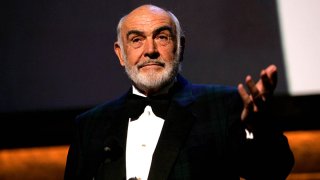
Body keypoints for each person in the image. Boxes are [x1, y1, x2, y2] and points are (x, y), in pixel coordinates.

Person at [64, 4, 294, 180]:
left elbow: (273, 171)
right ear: (120, 54)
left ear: (180, 47)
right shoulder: (90, 126)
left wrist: (258, 127)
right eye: (136, 40)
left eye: (162, 37)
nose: (150, 50)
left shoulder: (224, 106)